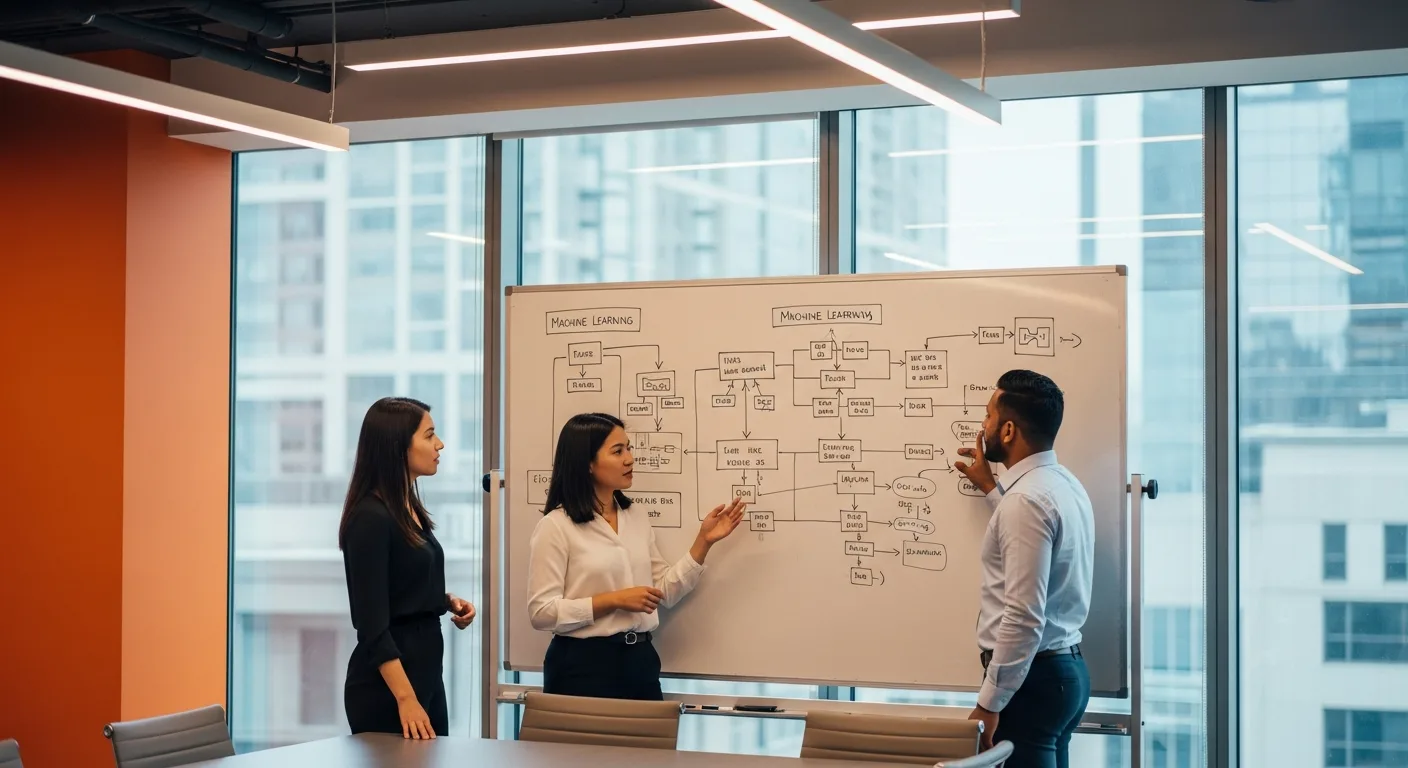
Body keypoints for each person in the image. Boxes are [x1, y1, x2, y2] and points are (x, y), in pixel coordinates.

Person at [526, 412, 747, 700]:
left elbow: (663, 593)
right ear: (588, 464)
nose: (630, 459)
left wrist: (703, 541)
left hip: (639, 661)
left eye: (629, 448)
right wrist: (614, 600)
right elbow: (541, 613)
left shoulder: (636, 516)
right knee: (580, 747)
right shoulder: (556, 526)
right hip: (581, 666)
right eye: (618, 451)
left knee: (648, 745)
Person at [953, 370, 1094, 768]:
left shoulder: (1026, 502)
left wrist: (989, 703)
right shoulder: (1061, 485)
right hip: (1058, 672)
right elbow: (1033, 548)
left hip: (1031, 681)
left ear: (1009, 430)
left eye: (987, 417)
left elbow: (1023, 614)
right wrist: (992, 490)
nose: (983, 427)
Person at [339, 397, 477, 740]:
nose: (439, 444)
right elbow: (372, 625)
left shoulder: (406, 507)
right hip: (390, 688)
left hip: (426, 676)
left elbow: (399, 585)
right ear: (398, 446)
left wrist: (443, 600)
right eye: (429, 435)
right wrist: (406, 698)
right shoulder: (370, 518)